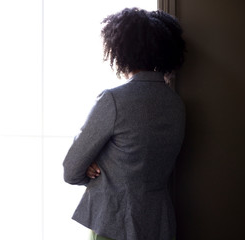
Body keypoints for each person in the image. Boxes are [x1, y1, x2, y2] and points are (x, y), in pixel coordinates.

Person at [63, 7, 186, 240]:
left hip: (114, 222)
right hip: (159, 223)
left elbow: (71, 170)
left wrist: (93, 167)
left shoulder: (114, 100)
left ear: (122, 50)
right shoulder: (176, 104)